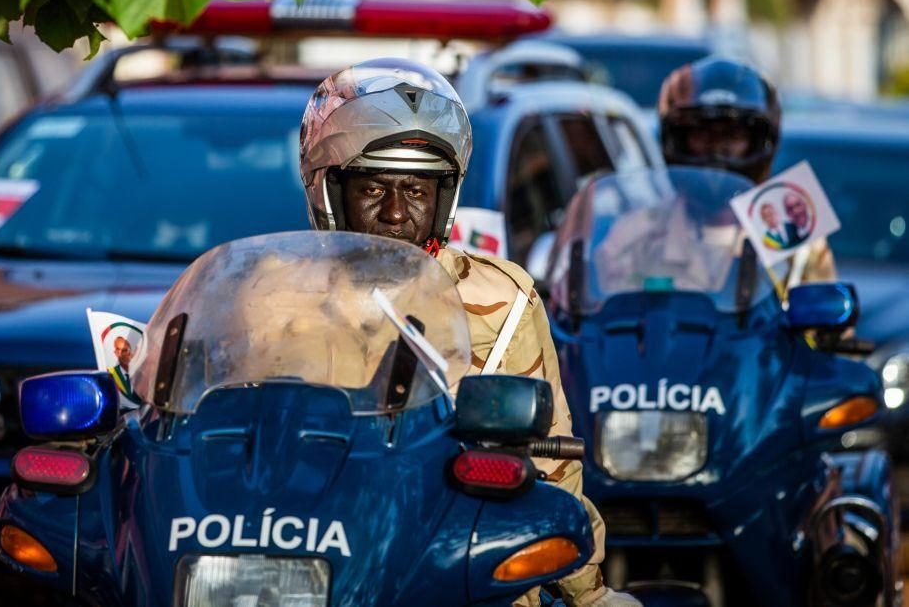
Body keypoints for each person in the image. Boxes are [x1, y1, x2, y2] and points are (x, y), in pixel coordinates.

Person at [299, 59, 638, 607]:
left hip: (464, 562)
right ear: (329, 191)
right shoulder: (277, 297)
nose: (394, 212)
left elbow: (552, 470)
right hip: (311, 557)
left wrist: (589, 594)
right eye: (373, 187)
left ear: (444, 199)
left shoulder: (503, 298)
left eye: (416, 190)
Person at [658, 55, 836, 287]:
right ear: (679, 139)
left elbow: (825, 317)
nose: (717, 148)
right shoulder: (637, 234)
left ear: (759, 141)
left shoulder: (796, 238)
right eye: (702, 134)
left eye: (732, 136)